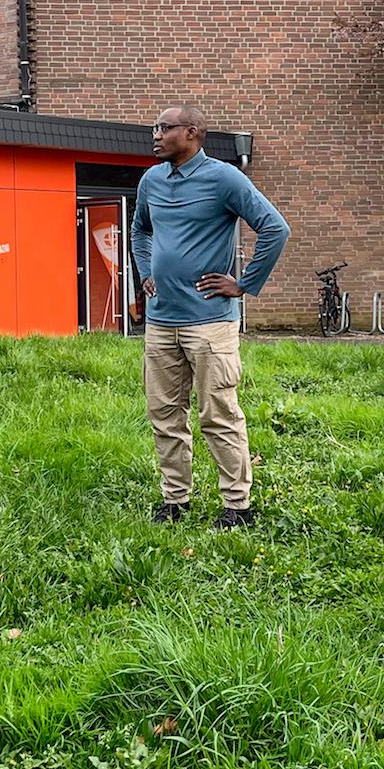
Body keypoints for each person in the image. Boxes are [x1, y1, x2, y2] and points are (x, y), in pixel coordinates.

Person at [130, 105, 290, 529]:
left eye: (166, 128)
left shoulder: (224, 178)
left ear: (194, 133)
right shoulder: (151, 180)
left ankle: (237, 506)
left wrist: (244, 284)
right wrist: (146, 272)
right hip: (161, 322)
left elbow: (275, 227)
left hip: (209, 323)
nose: (156, 134)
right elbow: (140, 230)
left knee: (218, 415)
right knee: (164, 416)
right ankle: (174, 500)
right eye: (155, 127)